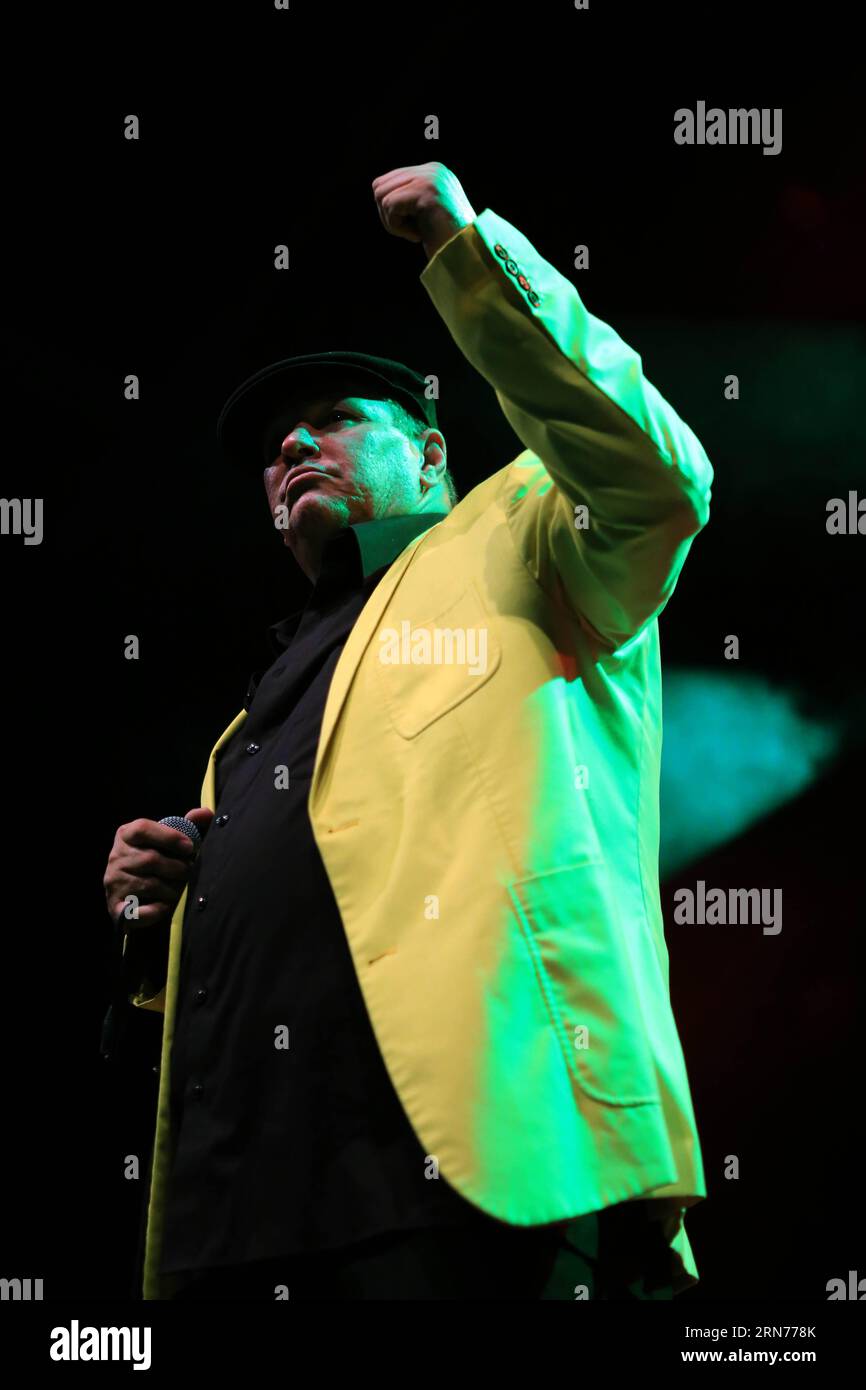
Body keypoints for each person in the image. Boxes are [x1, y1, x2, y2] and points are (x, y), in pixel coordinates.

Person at [102, 162, 713, 1301]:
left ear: (431, 457)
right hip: (239, 1217)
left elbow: (655, 481)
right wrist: (156, 924)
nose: (291, 448)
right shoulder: (245, 725)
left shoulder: (521, 538)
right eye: (275, 445)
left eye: (333, 420)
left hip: (474, 1185)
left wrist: (464, 253)